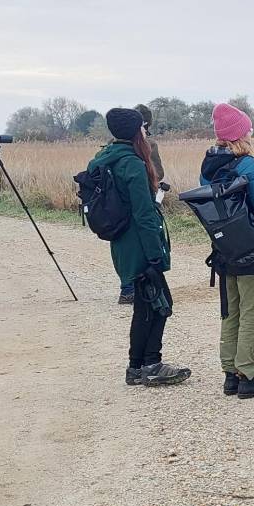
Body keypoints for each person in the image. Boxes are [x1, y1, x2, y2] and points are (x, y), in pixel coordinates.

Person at [87, 107, 190, 387]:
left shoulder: (103, 158)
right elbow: (144, 213)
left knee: (146, 304)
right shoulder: (132, 163)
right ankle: (151, 364)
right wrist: (156, 255)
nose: (145, 132)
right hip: (140, 243)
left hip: (121, 241)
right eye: (143, 128)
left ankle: (137, 366)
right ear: (136, 131)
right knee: (157, 304)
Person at [201, 103, 254, 399]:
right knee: (252, 312)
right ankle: (247, 375)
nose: (251, 132)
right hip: (252, 250)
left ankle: (229, 375)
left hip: (224, 250)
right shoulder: (247, 165)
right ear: (239, 134)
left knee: (230, 312)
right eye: (248, 129)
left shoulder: (208, 166)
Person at [118, 104, 169, 305]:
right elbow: (158, 173)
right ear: (147, 123)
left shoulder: (113, 145)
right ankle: (143, 286)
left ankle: (126, 287)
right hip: (142, 197)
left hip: (117, 205)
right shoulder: (149, 144)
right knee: (145, 238)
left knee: (124, 242)